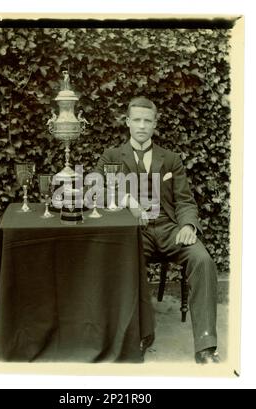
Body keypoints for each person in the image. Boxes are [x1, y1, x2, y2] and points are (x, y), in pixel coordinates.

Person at [95, 96, 219, 364]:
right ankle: (140, 335)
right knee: (128, 262)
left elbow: (185, 200)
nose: (141, 125)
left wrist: (187, 224)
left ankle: (206, 346)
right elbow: (95, 191)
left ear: (155, 124)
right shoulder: (112, 156)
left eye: (147, 121)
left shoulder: (171, 159)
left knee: (203, 260)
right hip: (133, 229)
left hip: (167, 226)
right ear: (127, 122)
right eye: (136, 120)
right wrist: (126, 200)